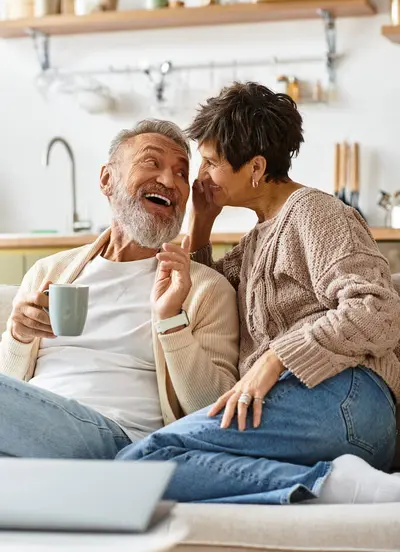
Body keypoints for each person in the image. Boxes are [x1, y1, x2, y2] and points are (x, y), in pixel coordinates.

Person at [118, 83, 400, 505]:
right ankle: (336, 486)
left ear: (255, 167)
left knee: (142, 461)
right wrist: (202, 221)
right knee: (136, 465)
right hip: (319, 409)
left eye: (211, 163)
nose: (201, 177)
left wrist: (275, 358)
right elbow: (208, 291)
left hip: (348, 398)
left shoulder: (314, 212)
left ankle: (348, 485)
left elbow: (378, 309)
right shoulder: (257, 241)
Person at [0, 119, 239, 459]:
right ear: (107, 179)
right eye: (151, 163)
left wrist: (171, 321)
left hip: (120, 439)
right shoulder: (49, 272)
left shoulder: (203, 289)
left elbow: (213, 409)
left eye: (182, 173)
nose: (169, 180)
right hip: (34, 430)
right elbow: (12, 387)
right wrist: (18, 337)